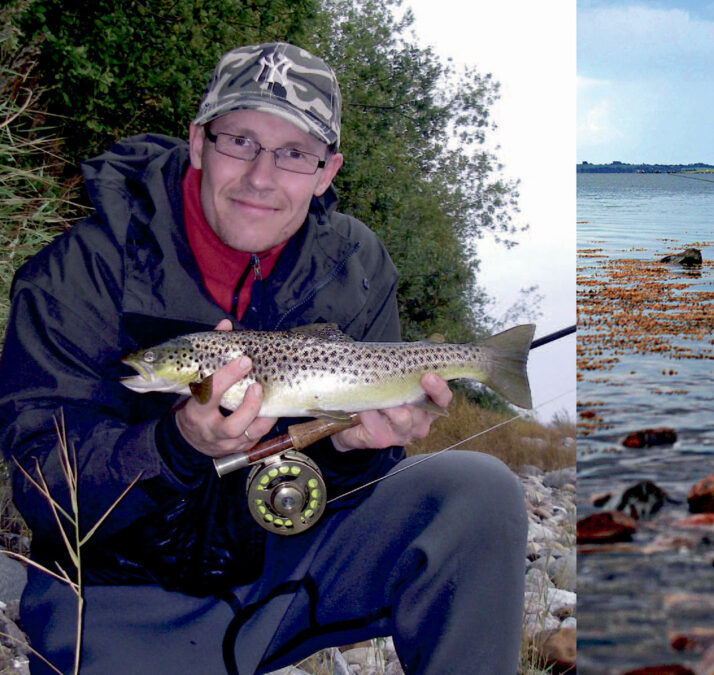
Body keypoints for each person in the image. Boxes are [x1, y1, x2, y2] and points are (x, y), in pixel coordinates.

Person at [0, 42, 526, 674]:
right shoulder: (75, 272)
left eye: (294, 154)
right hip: (117, 592)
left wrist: (358, 448)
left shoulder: (355, 265)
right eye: (240, 141)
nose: (260, 177)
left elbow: (350, 481)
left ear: (327, 172)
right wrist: (175, 446)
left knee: (479, 493)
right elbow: (40, 487)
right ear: (198, 142)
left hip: (285, 567)